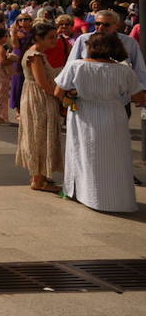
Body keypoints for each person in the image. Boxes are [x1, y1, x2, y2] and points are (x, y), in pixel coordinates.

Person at [55, 31, 146, 213]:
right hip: (113, 114)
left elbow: (58, 92)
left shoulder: (76, 66)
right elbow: (139, 97)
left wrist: (75, 95)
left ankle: (85, 193)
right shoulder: (124, 70)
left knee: (83, 153)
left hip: (83, 113)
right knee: (115, 156)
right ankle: (114, 198)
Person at [17, 22, 64, 193]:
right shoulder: (35, 55)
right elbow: (43, 83)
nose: (55, 40)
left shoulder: (36, 54)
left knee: (40, 135)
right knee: (40, 136)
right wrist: (60, 96)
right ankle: (38, 179)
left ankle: (40, 176)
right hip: (39, 99)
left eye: (56, 36)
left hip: (34, 96)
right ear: (39, 38)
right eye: (51, 37)